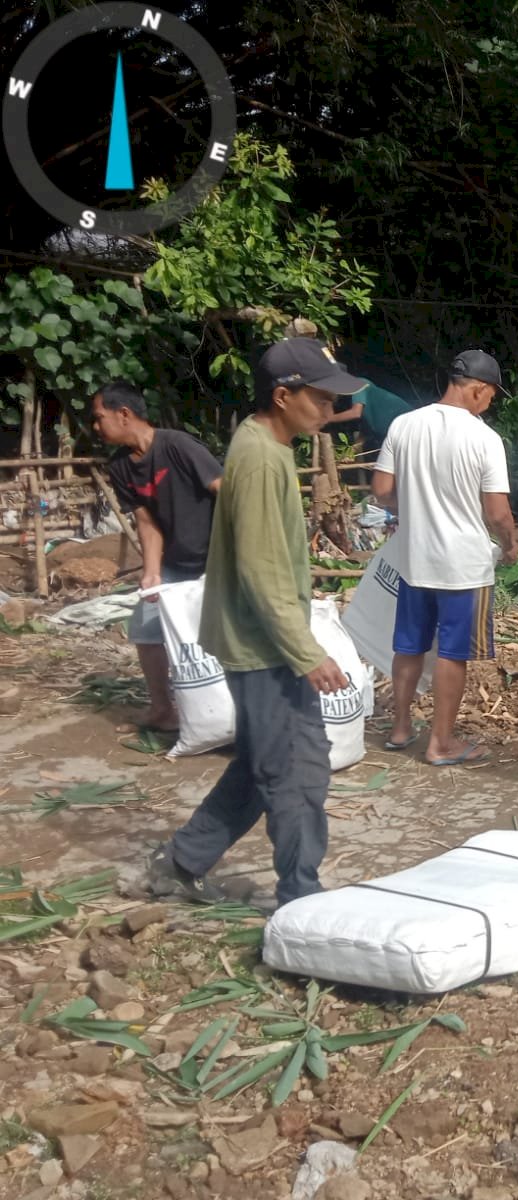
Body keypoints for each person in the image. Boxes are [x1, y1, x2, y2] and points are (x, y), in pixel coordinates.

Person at [146, 337, 364, 909]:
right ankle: (300, 898)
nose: (328, 410)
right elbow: (261, 569)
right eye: (320, 398)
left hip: (260, 640)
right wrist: (305, 652)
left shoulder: (259, 442)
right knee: (295, 772)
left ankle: (181, 860)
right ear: (283, 395)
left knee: (265, 762)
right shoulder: (262, 458)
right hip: (265, 647)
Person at [370, 350, 518, 767]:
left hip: (414, 561)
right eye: (491, 396)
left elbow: (381, 491)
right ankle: (441, 743)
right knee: (454, 653)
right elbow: (497, 513)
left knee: (410, 645)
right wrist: (509, 545)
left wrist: (413, 510)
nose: (490, 404)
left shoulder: (404, 425)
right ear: (478, 389)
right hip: (464, 568)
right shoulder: (484, 438)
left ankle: (400, 728)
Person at [93, 381, 223, 732]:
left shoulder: (178, 446)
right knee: (146, 629)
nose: (95, 426)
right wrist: (152, 573)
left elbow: (227, 492)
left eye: (99, 417)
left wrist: (241, 554)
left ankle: (231, 712)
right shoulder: (120, 466)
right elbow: (146, 522)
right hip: (175, 562)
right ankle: (163, 709)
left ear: (124, 414)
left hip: (217, 558)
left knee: (224, 633)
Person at [325, 379, 417, 464]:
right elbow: (364, 434)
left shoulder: (359, 384)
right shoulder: (367, 405)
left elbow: (355, 412)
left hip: (409, 428)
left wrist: (328, 418)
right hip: (399, 434)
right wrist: (350, 453)